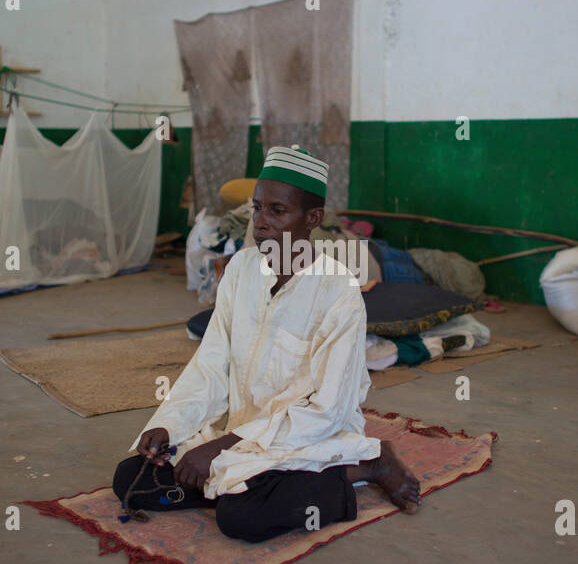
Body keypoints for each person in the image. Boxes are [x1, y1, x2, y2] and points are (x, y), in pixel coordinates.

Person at [114, 145, 421, 543]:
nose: (260, 223)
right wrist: (168, 426)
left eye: (278, 211)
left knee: (242, 518)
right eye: (257, 208)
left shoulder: (338, 291)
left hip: (306, 435)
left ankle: (367, 466)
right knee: (132, 479)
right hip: (242, 431)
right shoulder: (241, 270)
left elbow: (325, 411)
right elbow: (210, 366)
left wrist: (221, 449)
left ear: (312, 219)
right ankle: (240, 480)